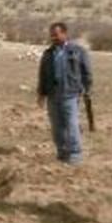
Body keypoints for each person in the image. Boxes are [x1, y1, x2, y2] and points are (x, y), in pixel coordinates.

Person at [37, 21, 92, 165]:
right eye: (52, 35)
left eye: (56, 34)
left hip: (70, 95)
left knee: (71, 125)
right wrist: (41, 94)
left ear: (64, 33)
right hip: (53, 95)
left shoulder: (77, 51)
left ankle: (75, 155)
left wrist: (86, 90)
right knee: (57, 126)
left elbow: (87, 73)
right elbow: (42, 75)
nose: (53, 37)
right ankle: (61, 153)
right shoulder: (48, 54)